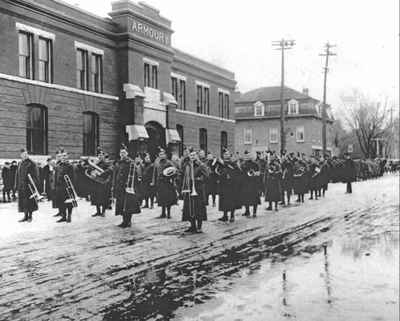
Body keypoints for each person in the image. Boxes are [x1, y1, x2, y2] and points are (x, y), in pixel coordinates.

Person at [112, 145, 141, 228]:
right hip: (120, 187)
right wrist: (114, 185)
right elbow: (115, 175)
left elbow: (135, 174)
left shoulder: (130, 163)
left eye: (124, 152)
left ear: (127, 153)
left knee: (129, 205)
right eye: (121, 152)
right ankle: (124, 221)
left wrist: (129, 184)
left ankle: (128, 221)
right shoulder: (118, 163)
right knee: (121, 204)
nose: (122, 154)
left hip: (128, 187)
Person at [181, 148, 209, 233]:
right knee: (190, 208)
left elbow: (207, 175)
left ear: (197, 156)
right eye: (191, 155)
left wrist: (199, 179)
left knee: (199, 208)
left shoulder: (201, 165)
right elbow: (183, 174)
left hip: (198, 189)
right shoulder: (187, 165)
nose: (192, 157)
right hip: (189, 189)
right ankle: (192, 226)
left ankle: (199, 226)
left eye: (194, 155)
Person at [216, 149, 242, 222]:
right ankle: (225, 215)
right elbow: (217, 171)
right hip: (223, 184)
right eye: (225, 154)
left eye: (227, 154)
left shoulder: (233, 163)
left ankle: (232, 216)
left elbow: (238, 171)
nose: (226, 155)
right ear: (223, 155)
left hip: (232, 185)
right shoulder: (220, 163)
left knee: (232, 200)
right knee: (224, 200)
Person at [15, 149, 40, 222]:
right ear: (21, 155)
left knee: (30, 201)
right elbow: (17, 175)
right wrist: (16, 185)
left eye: (26, 154)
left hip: (29, 185)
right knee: (23, 201)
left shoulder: (31, 163)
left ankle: (30, 216)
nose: (25, 155)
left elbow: (36, 175)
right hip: (21, 186)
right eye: (23, 154)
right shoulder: (20, 163)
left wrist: (33, 184)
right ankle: (25, 216)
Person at [152, 148, 178, 219]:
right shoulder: (157, 163)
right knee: (161, 198)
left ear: (165, 155)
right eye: (160, 154)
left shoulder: (169, 162)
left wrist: (171, 177)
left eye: (163, 154)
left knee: (168, 199)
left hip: (167, 183)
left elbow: (174, 171)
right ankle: (163, 213)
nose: (161, 155)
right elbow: (155, 173)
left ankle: (169, 214)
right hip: (160, 183)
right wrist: (154, 182)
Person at [90, 150, 113, 217]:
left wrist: (101, 173)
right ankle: (98, 211)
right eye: (99, 155)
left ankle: (103, 212)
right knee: (96, 197)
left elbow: (110, 170)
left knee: (103, 198)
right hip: (96, 183)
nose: (100, 156)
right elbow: (90, 169)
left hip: (103, 183)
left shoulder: (107, 163)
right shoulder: (95, 163)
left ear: (103, 156)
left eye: (101, 155)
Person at [55, 150, 75, 223]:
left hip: (67, 187)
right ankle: (63, 216)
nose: (63, 157)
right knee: (61, 202)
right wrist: (55, 187)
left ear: (67, 157)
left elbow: (73, 178)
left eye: (64, 156)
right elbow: (56, 177)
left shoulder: (70, 166)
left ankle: (69, 216)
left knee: (69, 202)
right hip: (59, 187)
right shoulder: (58, 166)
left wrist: (71, 187)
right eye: (62, 156)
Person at [240, 151, 261, 218]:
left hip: (253, 183)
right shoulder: (243, 164)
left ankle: (254, 212)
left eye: (249, 156)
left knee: (255, 199)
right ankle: (247, 211)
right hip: (246, 183)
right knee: (246, 198)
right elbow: (241, 173)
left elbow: (258, 173)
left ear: (251, 156)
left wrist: (254, 173)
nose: (247, 157)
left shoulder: (255, 164)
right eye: (246, 156)